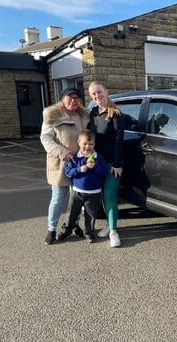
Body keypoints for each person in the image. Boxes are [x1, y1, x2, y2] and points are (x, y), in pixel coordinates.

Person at [40, 88, 89, 244]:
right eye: (70, 97)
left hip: (80, 164)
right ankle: (51, 229)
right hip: (60, 164)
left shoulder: (83, 116)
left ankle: (74, 225)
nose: (74, 100)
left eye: (77, 97)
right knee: (58, 199)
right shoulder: (52, 115)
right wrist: (62, 152)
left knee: (77, 199)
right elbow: (46, 138)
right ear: (63, 99)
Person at [87, 81, 125, 248]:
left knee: (110, 198)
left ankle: (114, 232)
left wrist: (117, 163)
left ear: (106, 92)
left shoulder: (115, 114)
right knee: (102, 196)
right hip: (95, 163)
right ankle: (109, 224)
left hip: (111, 164)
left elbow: (119, 140)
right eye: (94, 94)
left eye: (99, 93)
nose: (97, 96)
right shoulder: (92, 113)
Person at [57, 130, 108, 243]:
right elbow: (68, 172)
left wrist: (94, 167)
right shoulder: (75, 158)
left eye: (90, 144)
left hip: (94, 193)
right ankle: (67, 230)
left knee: (90, 214)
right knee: (72, 212)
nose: (87, 147)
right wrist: (80, 169)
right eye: (84, 144)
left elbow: (104, 173)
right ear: (79, 143)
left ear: (94, 144)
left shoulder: (98, 158)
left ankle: (88, 233)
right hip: (77, 192)